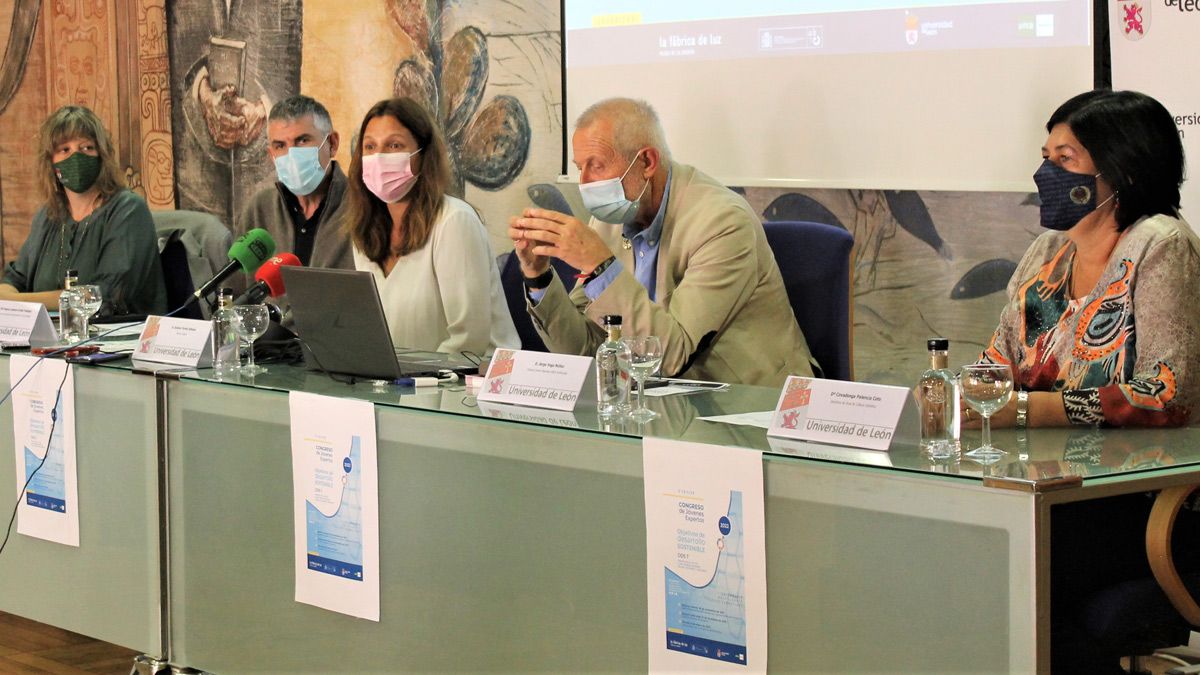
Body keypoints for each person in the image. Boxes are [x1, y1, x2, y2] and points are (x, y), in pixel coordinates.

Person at [508, 97, 813, 387]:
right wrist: (539, 277)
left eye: (597, 165)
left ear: (647, 162)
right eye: (579, 168)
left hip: (748, 405)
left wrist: (600, 267)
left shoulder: (723, 222)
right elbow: (585, 349)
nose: (585, 182)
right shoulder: (609, 219)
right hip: (660, 403)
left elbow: (669, 356)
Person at [970, 89, 1200, 430]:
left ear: (1125, 171)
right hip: (1043, 467)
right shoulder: (1048, 252)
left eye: (1065, 159)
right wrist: (958, 391)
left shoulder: (1162, 244)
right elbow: (996, 368)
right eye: (1046, 157)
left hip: (1134, 475)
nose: (1046, 173)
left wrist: (1028, 411)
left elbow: (1167, 395)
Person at [341, 97, 517, 355]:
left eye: (394, 145)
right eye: (370, 146)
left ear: (423, 155)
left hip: (469, 384)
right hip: (401, 383)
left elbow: (468, 342)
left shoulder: (455, 221)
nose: (379, 157)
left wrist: (407, 382)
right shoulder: (365, 230)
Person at [1, 105, 166, 315]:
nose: (76, 157)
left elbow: (105, 297)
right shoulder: (48, 215)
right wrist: (10, 297)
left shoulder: (128, 209)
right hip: (52, 341)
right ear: (50, 161)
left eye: (87, 148)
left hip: (115, 340)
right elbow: (14, 280)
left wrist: (18, 303)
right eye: (64, 150)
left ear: (102, 155)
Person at [237, 95, 353, 271]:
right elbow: (233, 290)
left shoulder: (362, 208)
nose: (291, 154)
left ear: (332, 143)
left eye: (302, 140)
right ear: (271, 155)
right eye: (280, 146)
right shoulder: (259, 209)